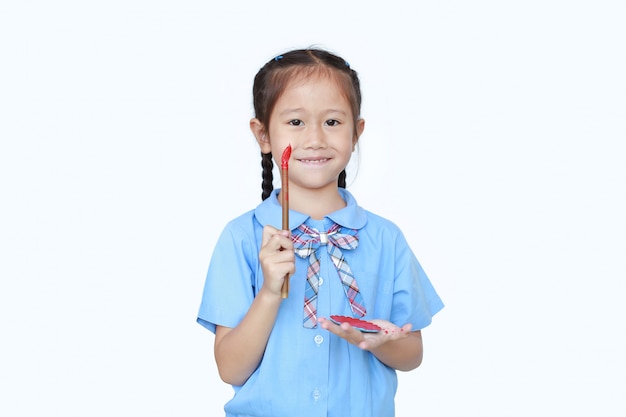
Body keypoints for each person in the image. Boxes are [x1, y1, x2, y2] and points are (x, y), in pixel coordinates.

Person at [197, 47, 444, 417]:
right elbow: (230, 368)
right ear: (263, 135)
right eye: (295, 122)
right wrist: (268, 292)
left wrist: (376, 341)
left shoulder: (385, 239)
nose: (315, 138)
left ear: (357, 132)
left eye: (332, 122)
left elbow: (413, 354)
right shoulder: (242, 237)